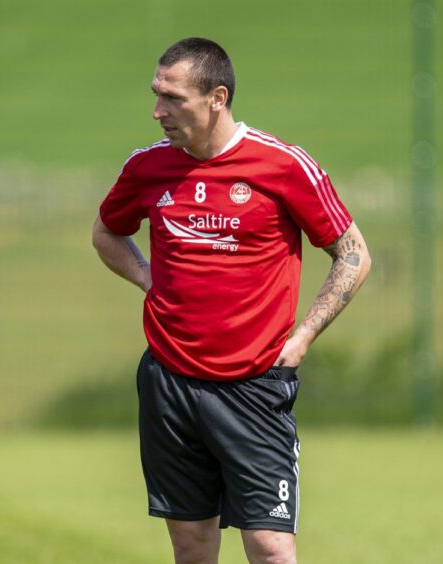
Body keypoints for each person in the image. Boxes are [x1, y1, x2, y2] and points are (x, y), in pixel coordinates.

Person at [92, 37, 370, 564]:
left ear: (217, 97)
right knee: (191, 543)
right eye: (156, 95)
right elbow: (106, 232)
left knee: (270, 548)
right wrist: (152, 281)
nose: (158, 112)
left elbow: (353, 254)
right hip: (170, 383)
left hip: (253, 387)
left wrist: (304, 336)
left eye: (173, 98)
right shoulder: (147, 167)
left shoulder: (283, 165)